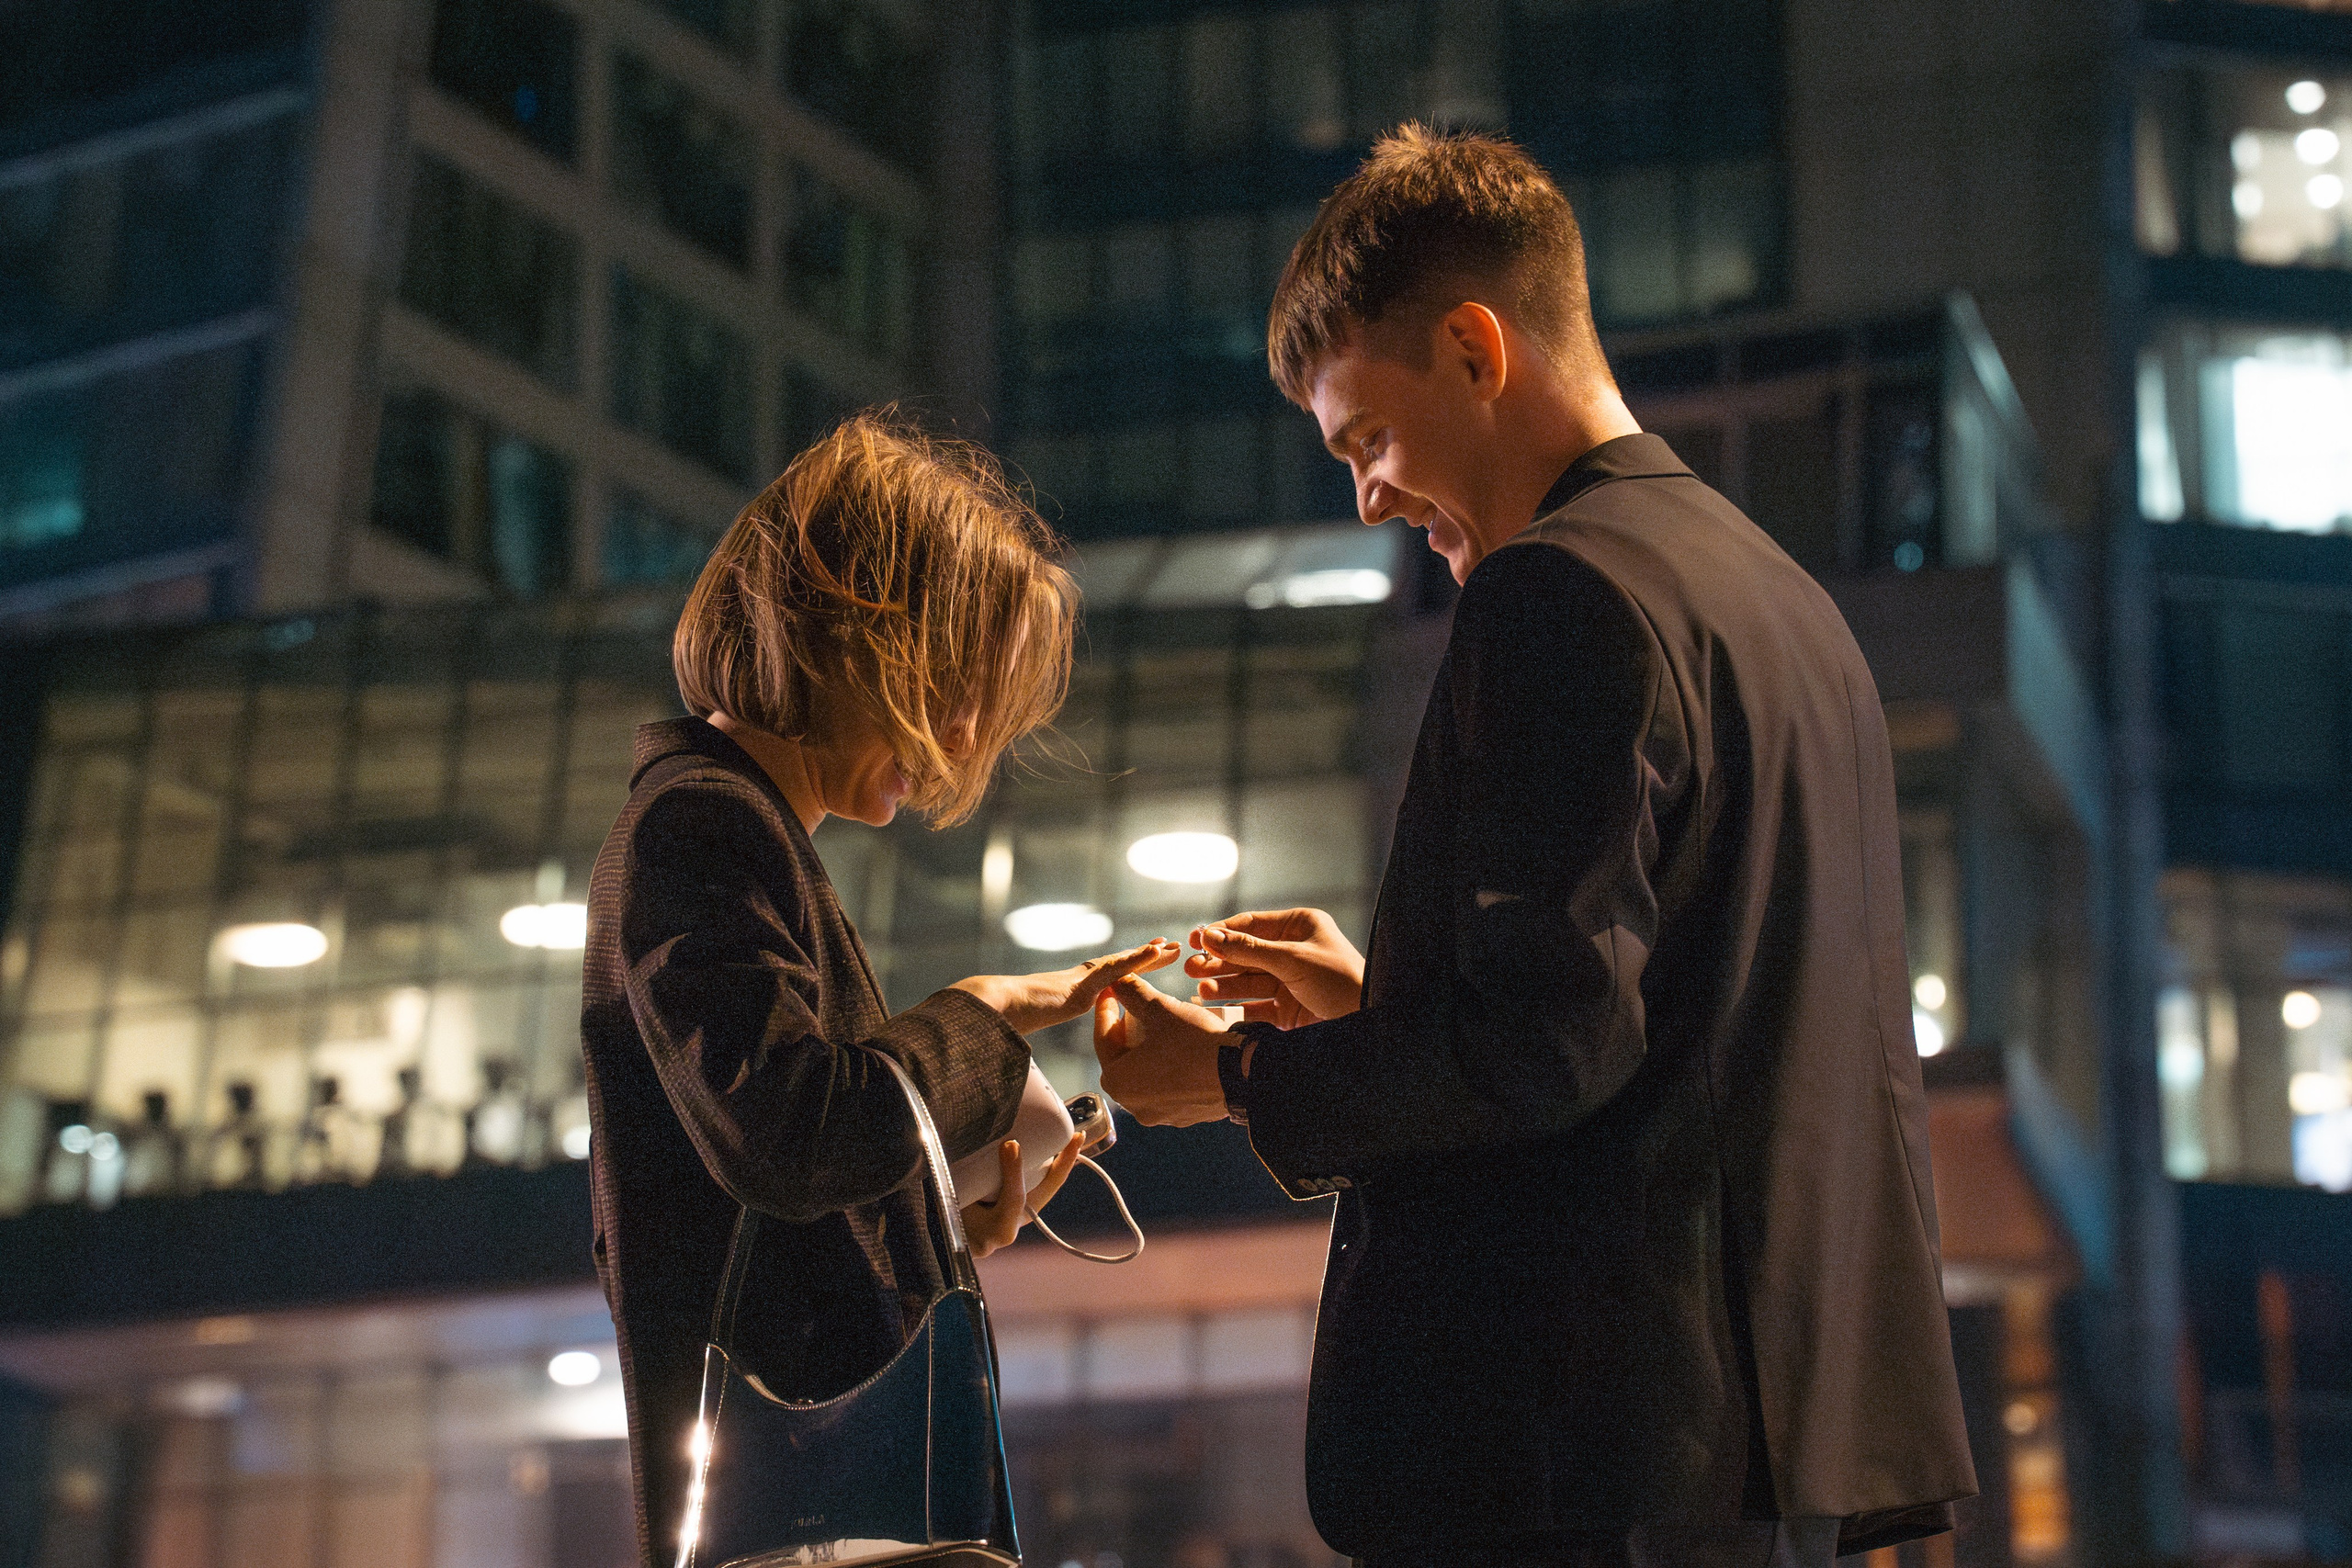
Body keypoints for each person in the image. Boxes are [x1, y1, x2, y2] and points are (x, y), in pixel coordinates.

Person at [1094, 128, 1977, 1568]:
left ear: (1473, 348)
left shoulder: (1554, 593)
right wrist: (1388, 1007)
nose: (1369, 496)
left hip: (1591, 1449)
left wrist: (1238, 1073)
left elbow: (1549, 1043)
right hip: (1768, 1437)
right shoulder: (1786, 608)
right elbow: (1680, 1019)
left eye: (1365, 438)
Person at [582, 413, 1177, 1567]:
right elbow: (789, 1133)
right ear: (848, 632)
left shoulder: (730, 823)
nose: (959, 736)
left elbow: (783, 1154)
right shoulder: (702, 823)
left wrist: (938, 1212)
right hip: (809, 1515)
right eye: (950, 683)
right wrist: (985, 1025)